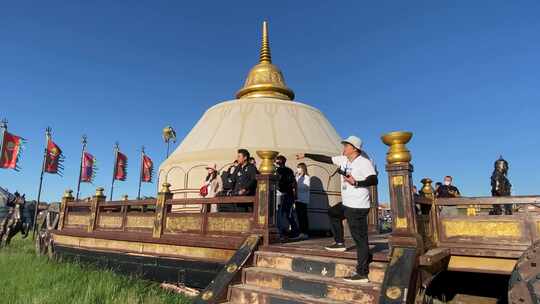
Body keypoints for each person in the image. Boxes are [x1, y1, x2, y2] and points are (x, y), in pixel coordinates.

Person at [297, 135, 378, 283]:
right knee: (333, 213)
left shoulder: (364, 163)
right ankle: (339, 242)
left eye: (346, 145)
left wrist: (357, 182)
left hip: (358, 206)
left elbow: (374, 179)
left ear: (354, 149)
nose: (344, 148)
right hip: (347, 203)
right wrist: (306, 155)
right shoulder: (343, 159)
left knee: (360, 239)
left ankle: (362, 273)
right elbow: (326, 159)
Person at [275, 155, 299, 241]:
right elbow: (294, 183)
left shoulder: (278, 171)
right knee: (288, 214)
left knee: (280, 214)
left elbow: (291, 183)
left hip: (282, 195)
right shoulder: (289, 170)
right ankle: (294, 231)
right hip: (288, 194)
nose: (276, 162)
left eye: (277, 161)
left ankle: (281, 233)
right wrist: (295, 194)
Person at [294, 162, 310, 240]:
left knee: (303, 216)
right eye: (297, 167)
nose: (298, 169)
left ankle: (305, 232)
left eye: (299, 167)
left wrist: (296, 186)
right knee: (299, 216)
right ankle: (301, 232)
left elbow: (306, 188)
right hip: (297, 199)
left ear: (303, 168)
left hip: (303, 199)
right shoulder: (297, 177)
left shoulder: (307, 177)